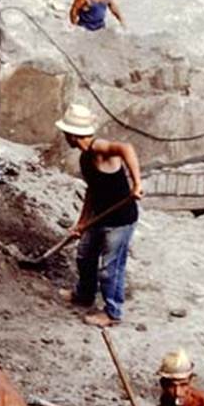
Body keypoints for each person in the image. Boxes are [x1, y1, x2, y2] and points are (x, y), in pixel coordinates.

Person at [56, 103, 143, 327]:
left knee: (110, 269)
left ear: (73, 135)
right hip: (100, 216)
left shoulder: (99, 148)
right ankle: (84, 294)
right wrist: (81, 223)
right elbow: (91, 191)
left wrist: (137, 184)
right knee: (84, 255)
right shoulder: (85, 158)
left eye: (66, 133)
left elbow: (127, 149)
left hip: (120, 220)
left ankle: (112, 313)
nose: (64, 136)